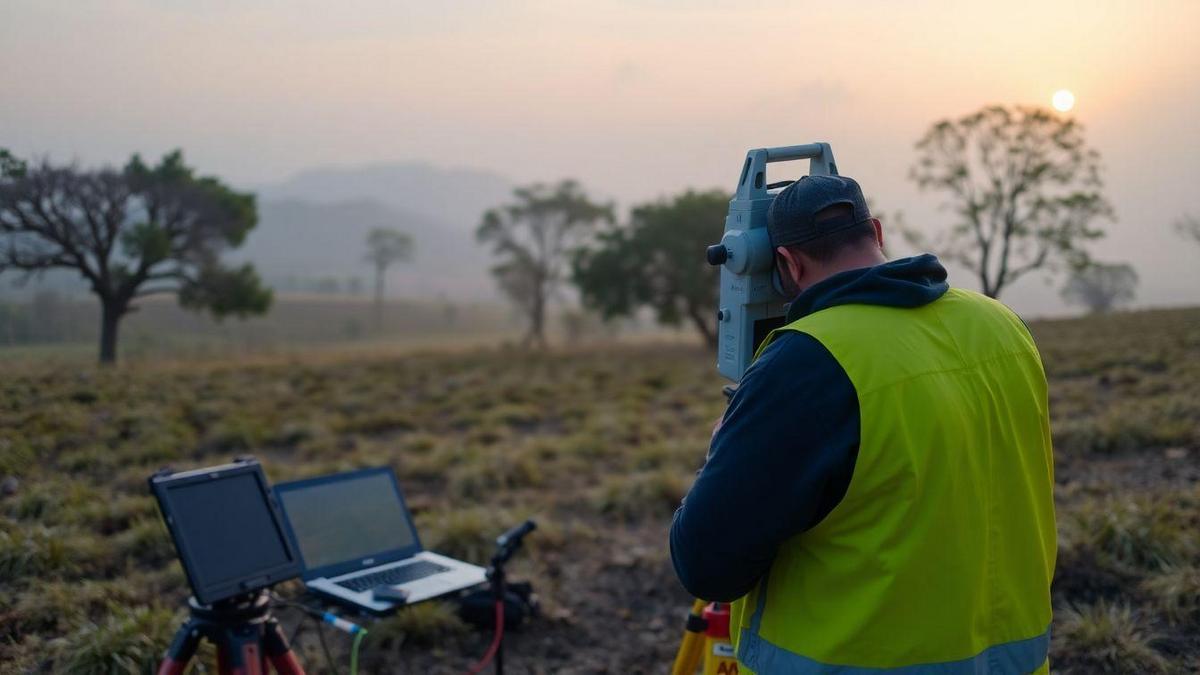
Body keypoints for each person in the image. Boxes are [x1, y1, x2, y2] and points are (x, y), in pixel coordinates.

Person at [669, 175, 1056, 674]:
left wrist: (723, 450)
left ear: (785, 263)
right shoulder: (1002, 325)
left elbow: (706, 564)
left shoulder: (808, 362)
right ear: (875, 230)